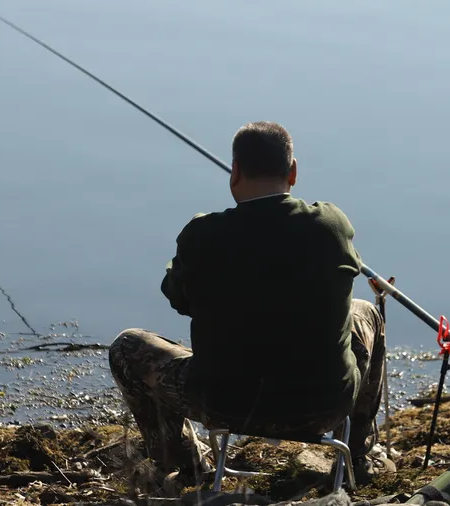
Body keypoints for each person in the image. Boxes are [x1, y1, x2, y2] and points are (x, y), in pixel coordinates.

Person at [108, 121, 393, 490]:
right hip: (322, 406)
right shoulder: (331, 225)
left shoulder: (202, 235)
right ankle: (358, 453)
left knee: (127, 347)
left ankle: (183, 466)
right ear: (293, 172)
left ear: (235, 172)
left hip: (222, 404)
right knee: (365, 311)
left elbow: (177, 297)